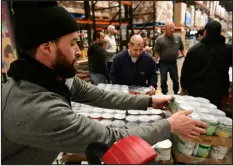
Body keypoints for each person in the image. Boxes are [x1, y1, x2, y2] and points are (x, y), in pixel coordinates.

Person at [2, 2, 207, 164]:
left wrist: (149, 101)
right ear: (47, 47)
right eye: (73, 43)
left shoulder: (53, 77)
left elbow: (99, 95)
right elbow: (112, 138)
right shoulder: (36, 109)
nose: (77, 51)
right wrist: (170, 124)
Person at [180, 20, 232, 109]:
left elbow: (186, 70)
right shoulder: (228, 50)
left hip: (195, 90)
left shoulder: (195, 49)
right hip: (216, 91)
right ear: (220, 32)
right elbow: (225, 71)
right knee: (213, 117)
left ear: (205, 32)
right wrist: (226, 92)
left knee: (195, 115)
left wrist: (184, 86)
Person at [153, 21, 186, 95]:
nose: (172, 29)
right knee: (163, 80)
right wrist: (154, 62)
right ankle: (164, 93)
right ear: (165, 29)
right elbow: (157, 52)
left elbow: (182, 48)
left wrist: (185, 57)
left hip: (173, 62)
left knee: (175, 80)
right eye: (170, 28)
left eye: (173, 27)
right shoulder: (160, 39)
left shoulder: (178, 37)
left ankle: (176, 93)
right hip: (163, 63)